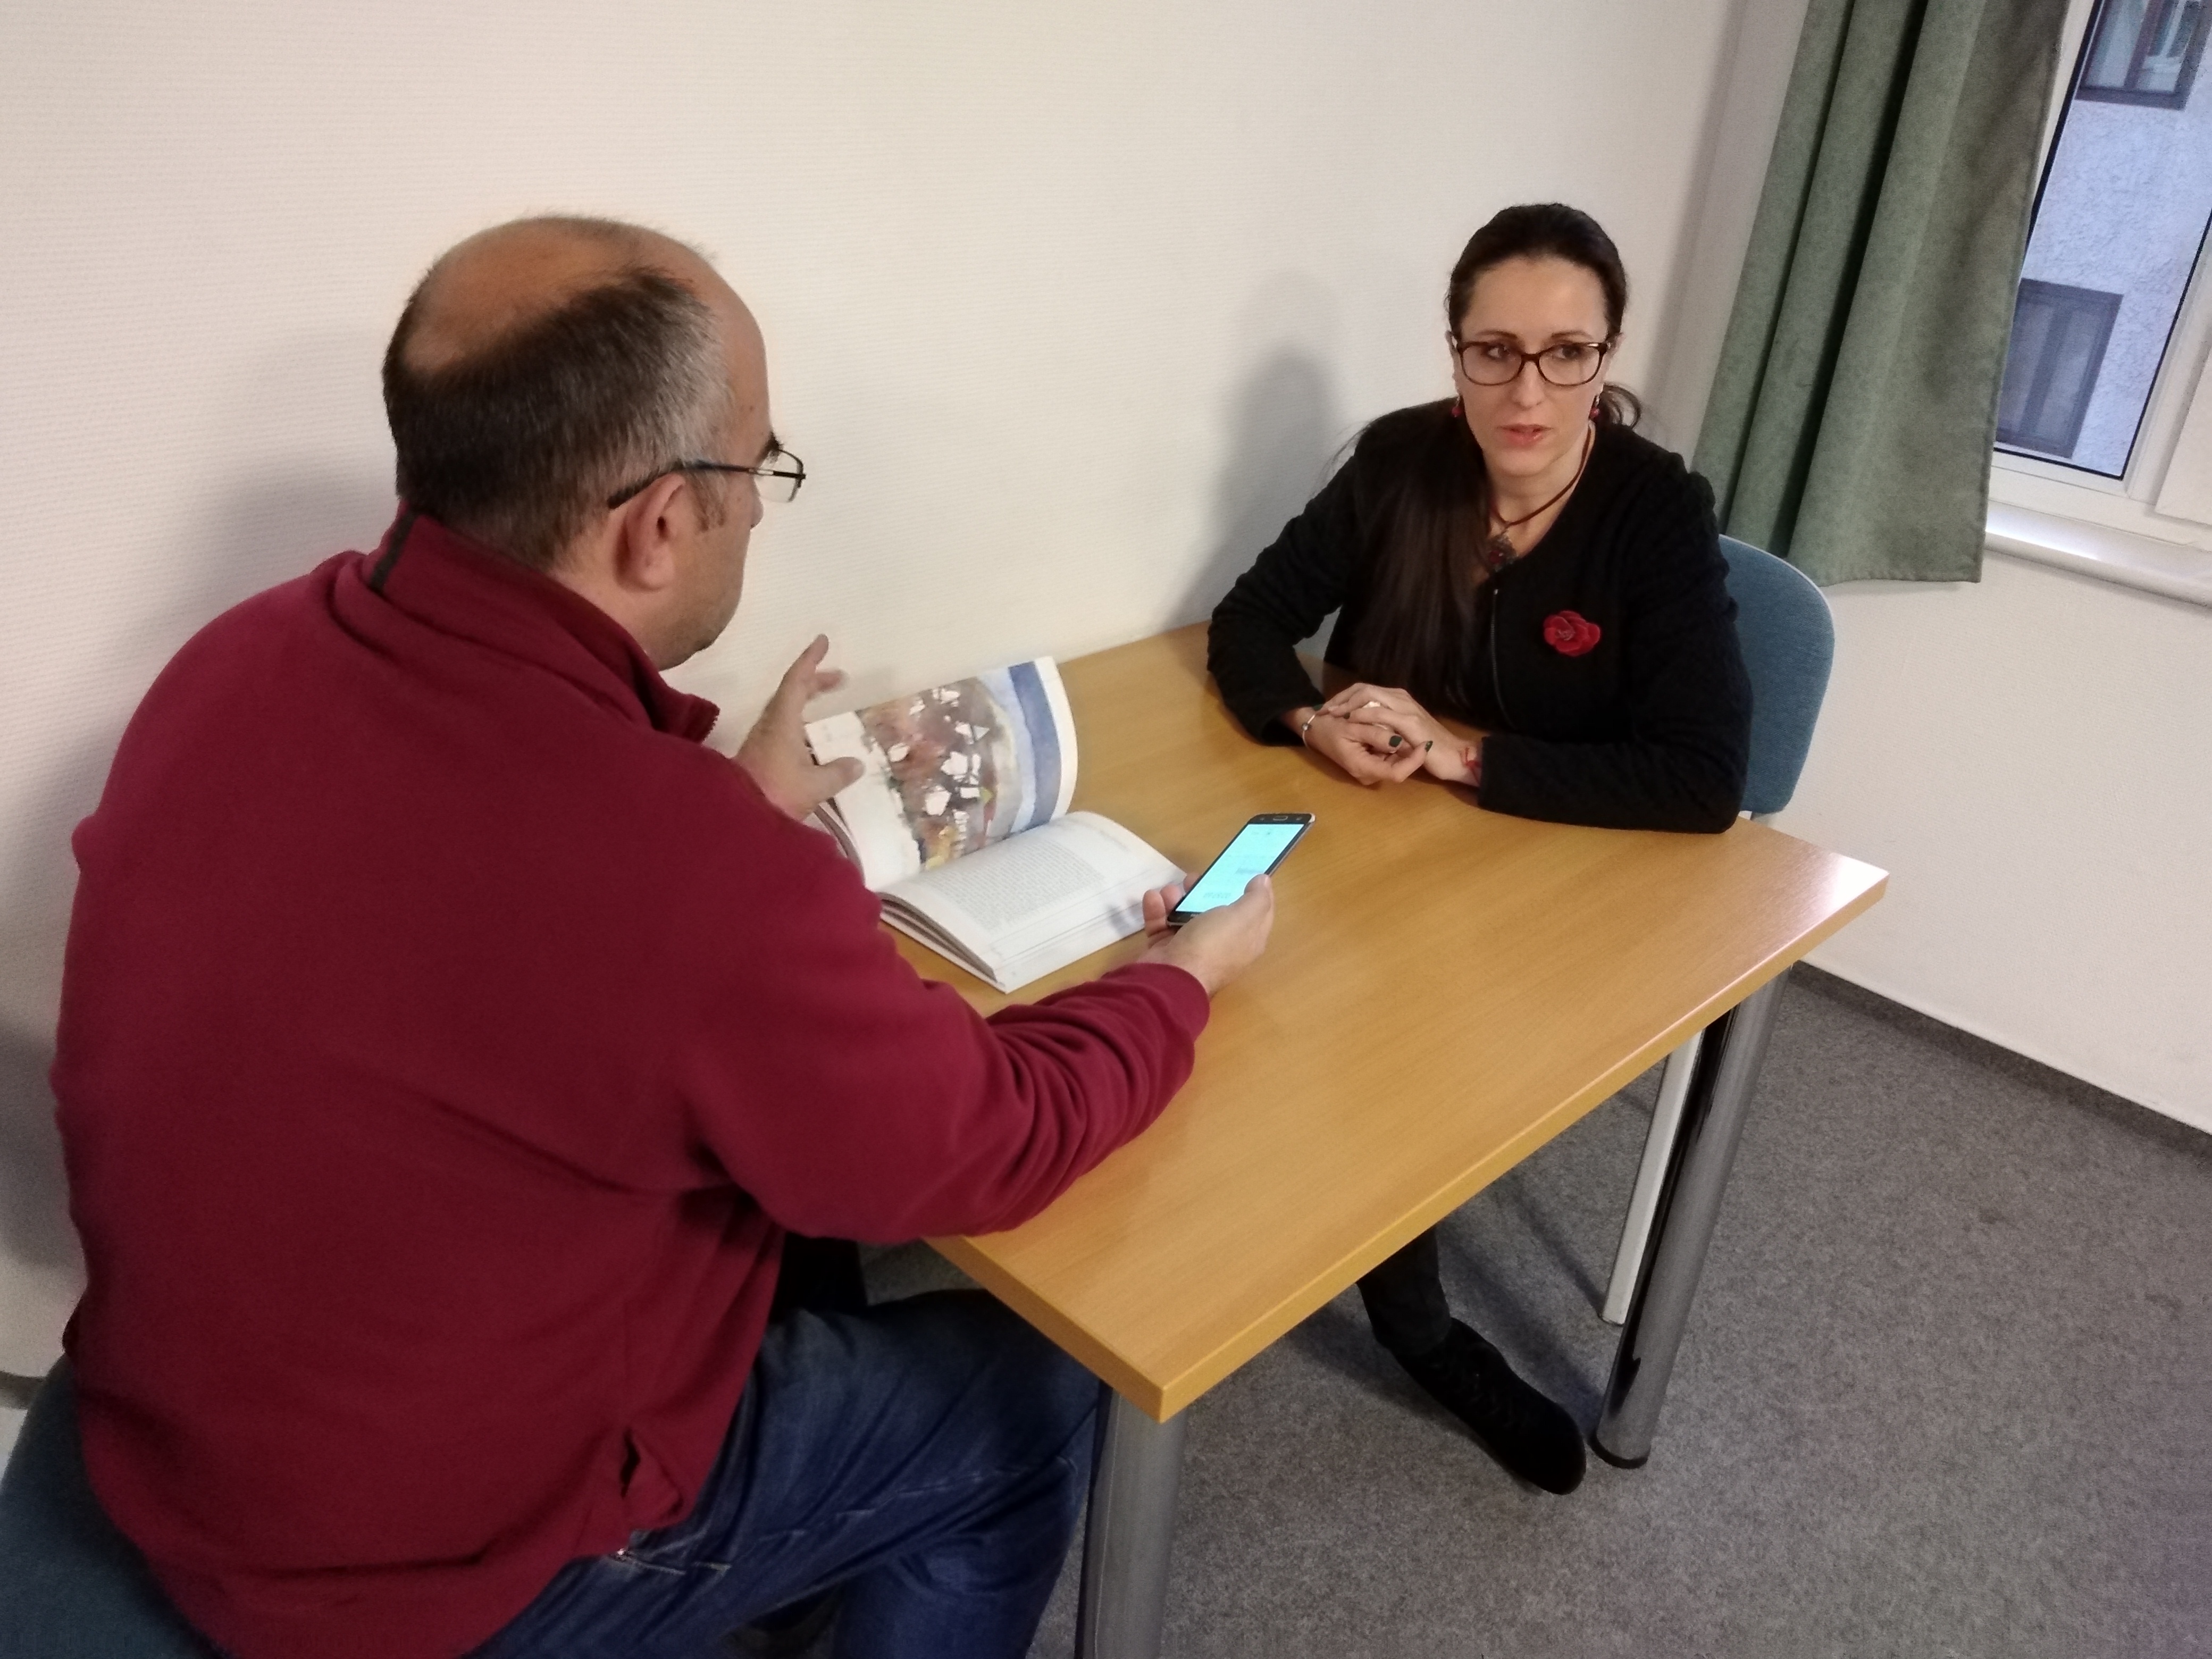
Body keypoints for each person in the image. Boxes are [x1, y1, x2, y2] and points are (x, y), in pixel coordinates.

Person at [51, 216, 1274, 1659]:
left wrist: (722, 818)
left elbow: (464, 937)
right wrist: (1181, 973)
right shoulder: (680, 867)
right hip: (427, 1573)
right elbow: (986, 1143)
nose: (761, 508)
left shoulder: (240, 659)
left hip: (193, 1431)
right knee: (1034, 1397)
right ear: (660, 524)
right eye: (759, 469)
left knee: (775, 1211)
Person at [1206, 202, 1752, 1496]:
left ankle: (1419, 1331)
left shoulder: (1654, 511)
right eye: (1493, 350)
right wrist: (1308, 721)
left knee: (1391, 1037)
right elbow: (1249, 623)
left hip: (1559, 876)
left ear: (1606, 357)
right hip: (1376, 846)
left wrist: (1460, 759)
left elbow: (1700, 780)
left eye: (1566, 353)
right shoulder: (1399, 463)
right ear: (1453, 350)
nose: (1527, 390)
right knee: (1198, 928)